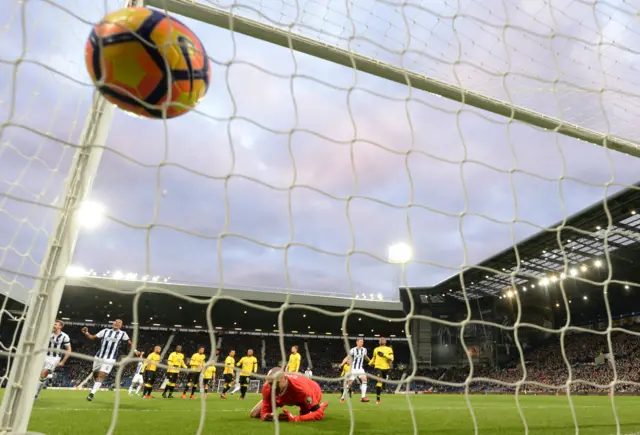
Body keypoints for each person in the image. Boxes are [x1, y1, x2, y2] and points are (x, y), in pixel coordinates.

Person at [82, 319, 137, 402]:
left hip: (110, 358)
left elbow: (129, 343)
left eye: (119, 322)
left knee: (101, 375)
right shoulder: (105, 331)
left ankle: (91, 394)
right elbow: (92, 337)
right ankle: (95, 385)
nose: (116, 323)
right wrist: (86, 332)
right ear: (113, 323)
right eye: (115, 321)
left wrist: (135, 351)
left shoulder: (123, 334)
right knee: (95, 374)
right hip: (99, 357)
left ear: (121, 326)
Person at [250, 367, 328, 422]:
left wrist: (295, 418)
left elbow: (319, 414)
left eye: (276, 383)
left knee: (306, 414)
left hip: (313, 390)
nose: (272, 387)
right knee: (254, 414)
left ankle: (321, 406)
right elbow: (264, 412)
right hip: (284, 396)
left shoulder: (301, 389)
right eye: (270, 383)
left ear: (285, 379)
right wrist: (266, 416)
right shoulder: (267, 387)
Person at [36, 320, 71, 399]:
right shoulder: (48, 334)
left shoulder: (65, 336)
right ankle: (44, 382)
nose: (53, 325)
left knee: (44, 372)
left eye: (55, 324)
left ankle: (35, 393)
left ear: (60, 326)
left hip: (54, 358)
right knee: (40, 376)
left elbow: (69, 350)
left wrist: (63, 361)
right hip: (44, 356)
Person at [340, 337, 370, 402]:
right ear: (357, 342)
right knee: (349, 384)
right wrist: (342, 364)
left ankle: (363, 397)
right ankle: (342, 397)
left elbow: (365, 356)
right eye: (360, 341)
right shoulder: (353, 350)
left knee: (364, 380)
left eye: (362, 342)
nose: (362, 343)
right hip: (353, 369)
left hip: (360, 369)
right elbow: (347, 357)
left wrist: (370, 361)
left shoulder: (364, 349)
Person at [369, 336, 393, 404]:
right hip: (378, 367)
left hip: (386, 368)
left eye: (383, 340)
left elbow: (392, 358)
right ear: (379, 342)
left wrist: (384, 355)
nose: (382, 340)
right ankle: (378, 399)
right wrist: (369, 363)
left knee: (383, 383)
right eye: (381, 340)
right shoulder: (376, 349)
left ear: (385, 342)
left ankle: (384, 385)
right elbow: (373, 358)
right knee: (379, 381)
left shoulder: (389, 349)